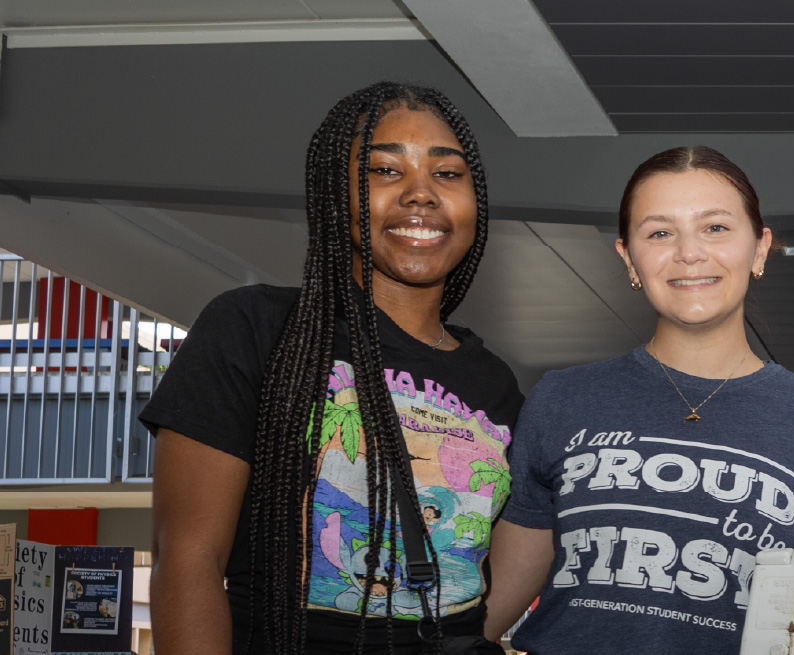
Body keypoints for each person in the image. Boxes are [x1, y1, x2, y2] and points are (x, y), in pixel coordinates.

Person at [483, 146, 794, 654]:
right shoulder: (562, 399)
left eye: (715, 227)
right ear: (628, 258)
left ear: (759, 249)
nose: (689, 252)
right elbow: (491, 608)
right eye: (660, 232)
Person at [149, 82, 518, 654]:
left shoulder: (494, 382)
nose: (421, 194)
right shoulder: (256, 327)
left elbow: (485, 574)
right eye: (384, 170)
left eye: (447, 174)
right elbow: (188, 558)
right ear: (332, 193)